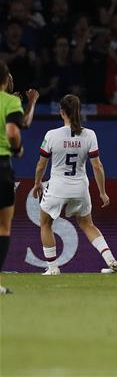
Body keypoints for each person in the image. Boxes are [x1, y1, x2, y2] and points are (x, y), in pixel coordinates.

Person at [31, 95, 117, 275]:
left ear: (62, 112)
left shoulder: (51, 135)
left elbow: (41, 164)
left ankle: (52, 267)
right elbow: (97, 165)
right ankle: (111, 260)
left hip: (58, 186)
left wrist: (37, 183)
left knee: (45, 223)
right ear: (78, 112)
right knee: (87, 224)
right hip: (80, 187)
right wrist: (103, 192)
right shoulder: (90, 134)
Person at [0, 63, 23, 294]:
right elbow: (13, 132)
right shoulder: (10, 101)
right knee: (3, 226)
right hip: (1, 166)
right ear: (6, 79)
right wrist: (17, 148)